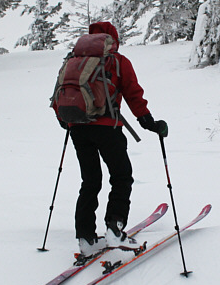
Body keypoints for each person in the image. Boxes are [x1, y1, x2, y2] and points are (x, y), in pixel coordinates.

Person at [58, 21, 168, 257]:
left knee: (90, 181)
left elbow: (60, 93)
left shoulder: (73, 61)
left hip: (77, 128)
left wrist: (65, 120)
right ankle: (114, 228)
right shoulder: (118, 61)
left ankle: (86, 238)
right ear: (112, 39)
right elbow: (133, 94)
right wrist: (149, 122)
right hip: (107, 128)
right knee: (121, 176)